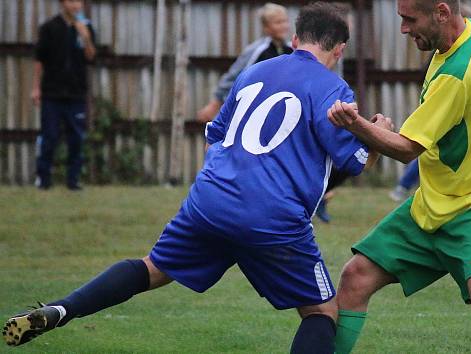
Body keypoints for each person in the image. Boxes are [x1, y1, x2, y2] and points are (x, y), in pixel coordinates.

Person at [3, 3, 392, 352]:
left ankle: (62, 309)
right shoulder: (333, 88)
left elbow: (214, 137)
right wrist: (377, 133)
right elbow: (356, 162)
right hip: (273, 217)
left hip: (210, 200)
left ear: (294, 38)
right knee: (322, 313)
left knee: (152, 269)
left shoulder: (254, 73)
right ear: (339, 50)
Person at [327, 1, 471, 353]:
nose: (404, 29)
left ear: (441, 12)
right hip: (430, 207)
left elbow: (407, 148)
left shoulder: (457, 73)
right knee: (355, 277)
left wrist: (355, 124)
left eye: (410, 19)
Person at [388, 2, 471, 203]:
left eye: (410, 19)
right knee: (427, 146)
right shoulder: (447, 57)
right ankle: (403, 186)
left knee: (428, 147)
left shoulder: (462, 63)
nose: (403, 29)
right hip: (441, 103)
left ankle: (404, 186)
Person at [33, 0, 97, 190]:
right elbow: (39, 60)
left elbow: (91, 57)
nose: (76, 5)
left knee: (76, 139)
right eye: (71, 1)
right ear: (63, 3)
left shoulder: (86, 27)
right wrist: (36, 88)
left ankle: (73, 180)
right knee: (49, 137)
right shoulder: (49, 27)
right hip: (52, 94)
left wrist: (85, 37)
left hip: (76, 94)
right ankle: (43, 180)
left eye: (79, 1)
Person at [196, 3, 293, 122]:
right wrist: (215, 104)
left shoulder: (292, 50)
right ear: (266, 28)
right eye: (278, 23)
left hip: (283, 108)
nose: (284, 26)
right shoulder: (256, 51)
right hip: (256, 109)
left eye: (285, 21)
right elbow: (234, 76)